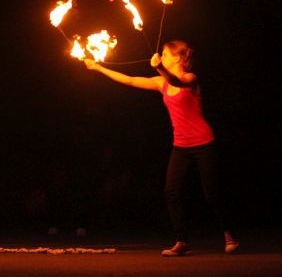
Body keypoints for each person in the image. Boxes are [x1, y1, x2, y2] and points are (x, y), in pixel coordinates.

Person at [83, 40, 239, 256]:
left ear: (177, 57)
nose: (161, 55)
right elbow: (130, 80)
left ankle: (229, 235)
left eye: (165, 53)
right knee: (171, 191)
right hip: (181, 145)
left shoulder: (190, 79)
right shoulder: (161, 83)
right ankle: (182, 241)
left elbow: (177, 81)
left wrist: (159, 67)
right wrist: (99, 68)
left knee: (211, 192)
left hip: (203, 142)